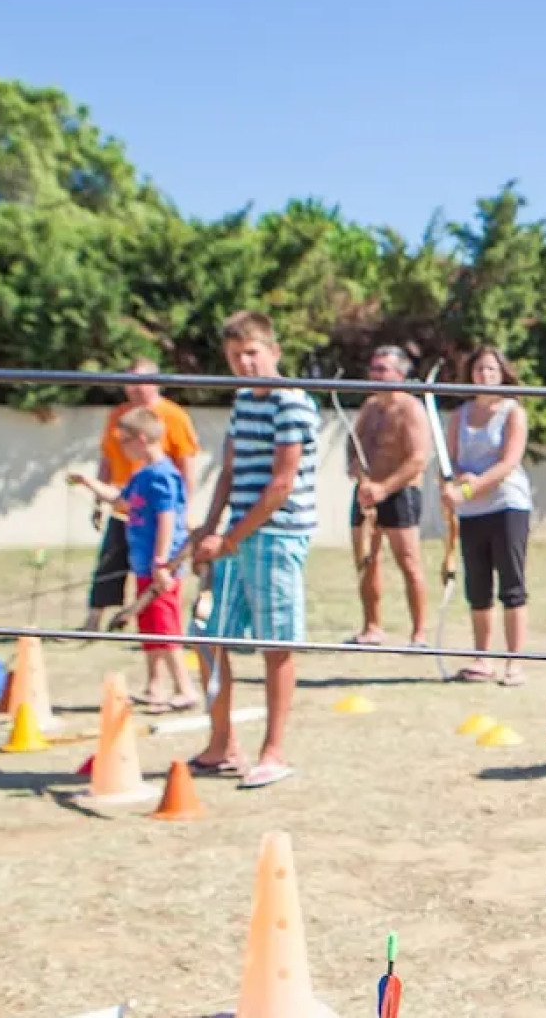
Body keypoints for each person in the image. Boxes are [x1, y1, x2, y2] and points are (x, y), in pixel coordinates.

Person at [189, 310, 320, 790]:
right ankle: (222, 744)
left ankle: (273, 752)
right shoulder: (244, 401)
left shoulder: (292, 402)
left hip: (277, 536)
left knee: (276, 645)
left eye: (251, 353)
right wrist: (208, 530)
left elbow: (281, 484)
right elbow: (229, 471)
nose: (244, 363)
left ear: (273, 351)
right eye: (234, 356)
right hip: (236, 537)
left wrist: (228, 538)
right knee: (208, 636)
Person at [67, 406, 202, 713]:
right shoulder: (142, 475)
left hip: (160, 568)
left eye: (124, 441)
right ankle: (155, 686)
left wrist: (161, 561)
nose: (121, 448)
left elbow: (168, 518)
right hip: (143, 564)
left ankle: (185, 689)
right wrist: (88, 483)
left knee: (165, 628)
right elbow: (122, 502)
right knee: (149, 627)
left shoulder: (164, 476)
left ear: (141, 438)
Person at [78, 356, 201, 631]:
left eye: (139, 382)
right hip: (126, 500)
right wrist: (97, 499)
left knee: (156, 567)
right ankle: (96, 619)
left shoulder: (174, 417)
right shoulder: (119, 416)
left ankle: (156, 626)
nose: (133, 388)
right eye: (129, 382)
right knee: (111, 561)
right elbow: (107, 459)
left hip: (155, 507)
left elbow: (187, 465)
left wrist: (185, 510)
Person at [439, 345, 533, 685]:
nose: (485, 375)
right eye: (479, 369)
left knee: (512, 585)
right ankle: (482, 659)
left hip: (507, 505)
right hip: (471, 512)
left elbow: (508, 463)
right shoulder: (460, 415)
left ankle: (514, 663)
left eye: (491, 369)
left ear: (502, 373)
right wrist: (453, 484)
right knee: (477, 586)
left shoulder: (513, 412)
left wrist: (469, 489)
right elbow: (450, 462)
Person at [345, 345, 432, 646]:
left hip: (400, 493)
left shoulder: (411, 409)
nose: (376, 374)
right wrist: (360, 476)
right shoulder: (369, 407)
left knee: (409, 562)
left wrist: (384, 488)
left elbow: (418, 459)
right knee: (366, 560)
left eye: (382, 369)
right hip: (366, 493)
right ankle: (372, 627)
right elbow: (353, 447)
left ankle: (419, 633)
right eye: (374, 368)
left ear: (399, 374)